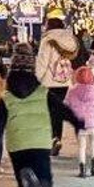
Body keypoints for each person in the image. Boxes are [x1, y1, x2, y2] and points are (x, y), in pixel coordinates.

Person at [2, 45, 54, 187]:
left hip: (17, 140)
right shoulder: (40, 90)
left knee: (23, 183)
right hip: (39, 138)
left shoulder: (8, 90)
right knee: (42, 182)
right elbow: (58, 109)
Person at [35, 16, 83, 155]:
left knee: (49, 111)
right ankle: (57, 138)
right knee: (56, 109)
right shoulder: (70, 40)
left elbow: (43, 61)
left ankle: (53, 138)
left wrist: (37, 78)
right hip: (64, 81)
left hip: (49, 81)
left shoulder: (48, 40)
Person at [63, 65, 94, 178]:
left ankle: (82, 169)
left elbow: (66, 104)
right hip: (93, 123)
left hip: (80, 123)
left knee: (81, 146)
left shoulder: (72, 91)